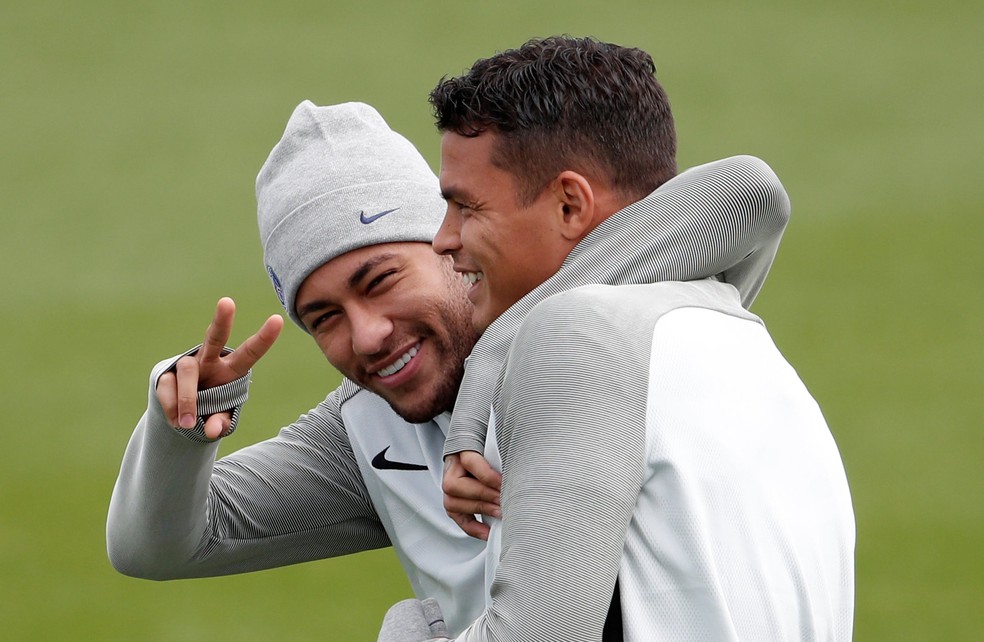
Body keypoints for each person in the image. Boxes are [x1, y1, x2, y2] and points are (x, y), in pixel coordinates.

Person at [106, 99, 790, 636]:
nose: (367, 336)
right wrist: (182, 431)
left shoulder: (607, 333)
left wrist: (494, 360)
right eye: (325, 317)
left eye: (379, 280)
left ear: (448, 244)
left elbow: (748, 192)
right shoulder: (363, 432)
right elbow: (158, 548)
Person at [379, 37, 854, 641]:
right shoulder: (739, 338)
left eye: (466, 208)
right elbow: (752, 189)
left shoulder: (576, 336)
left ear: (570, 205)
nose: (443, 240)